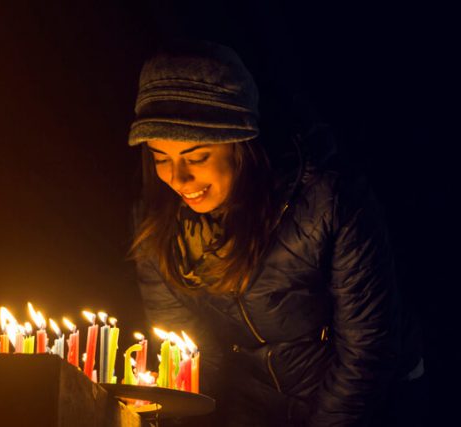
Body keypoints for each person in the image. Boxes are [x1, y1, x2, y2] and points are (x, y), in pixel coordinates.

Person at [127, 40, 424, 426]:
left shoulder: (329, 201)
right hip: (258, 402)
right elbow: (198, 357)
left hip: (372, 400)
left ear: (240, 146)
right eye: (160, 157)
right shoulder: (157, 227)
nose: (178, 179)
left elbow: (368, 351)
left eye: (197, 157)